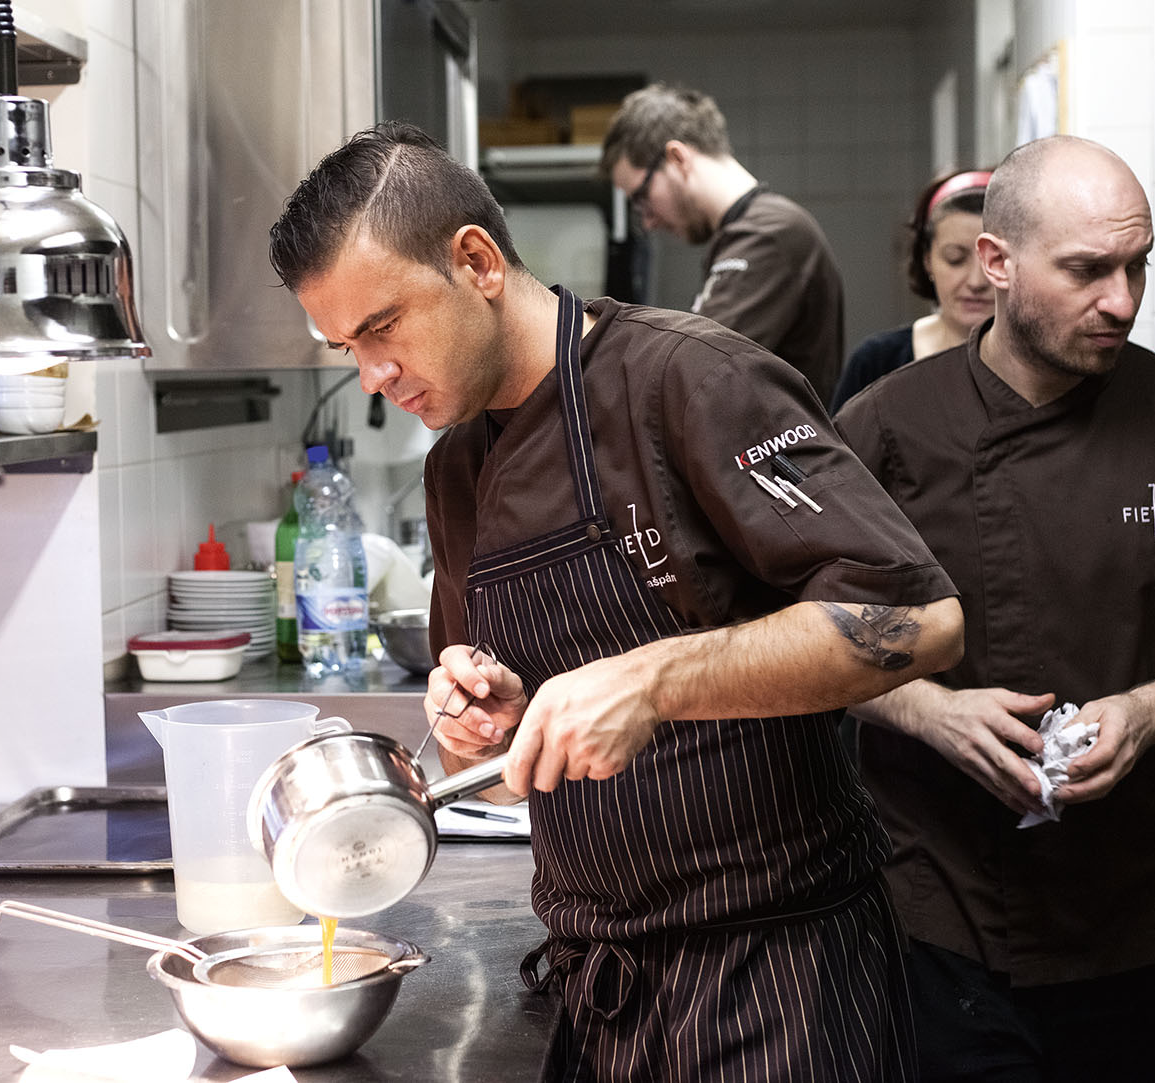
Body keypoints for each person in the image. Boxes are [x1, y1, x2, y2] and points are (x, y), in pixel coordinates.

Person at [270, 121, 966, 1082]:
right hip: (601, 993)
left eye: (382, 327)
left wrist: (655, 679)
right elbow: (523, 764)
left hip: (781, 982)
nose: (373, 378)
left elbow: (921, 619)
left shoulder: (690, 381)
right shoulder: (457, 472)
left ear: (475, 259)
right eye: (348, 346)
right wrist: (489, 735)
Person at [833, 135, 1155, 1083]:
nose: (1124, 301)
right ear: (998, 264)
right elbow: (799, 631)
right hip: (941, 908)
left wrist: (1151, 709)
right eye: (1090, 270)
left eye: (1138, 266)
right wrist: (933, 711)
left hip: (1136, 911)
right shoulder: (886, 426)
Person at [600, 83, 846, 406]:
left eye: (642, 197)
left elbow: (690, 367)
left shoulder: (768, 234)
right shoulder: (749, 232)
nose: (647, 221)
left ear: (677, 158)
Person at [829, 169, 994, 414]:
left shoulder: (1040, 366)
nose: (976, 281)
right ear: (927, 260)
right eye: (955, 259)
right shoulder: (878, 361)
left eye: (993, 259)